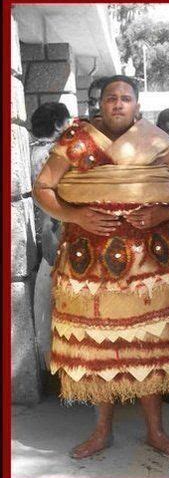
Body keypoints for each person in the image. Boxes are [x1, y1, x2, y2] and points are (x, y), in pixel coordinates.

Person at [33, 75, 169, 459]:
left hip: (149, 261)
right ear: (101, 103)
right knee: (98, 345)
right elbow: (44, 189)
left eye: (126, 98)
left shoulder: (157, 140)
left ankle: (156, 432)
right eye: (112, 98)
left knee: (149, 342)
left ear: (137, 106)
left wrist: (164, 212)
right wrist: (76, 214)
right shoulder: (76, 138)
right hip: (87, 261)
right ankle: (102, 432)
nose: (118, 104)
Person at [30, 103, 70, 375]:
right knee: (55, 306)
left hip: (45, 236)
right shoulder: (53, 156)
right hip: (56, 236)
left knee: (45, 304)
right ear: (58, 124)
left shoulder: (31, 152)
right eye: (67, 122)